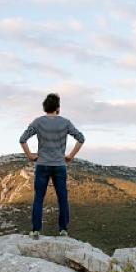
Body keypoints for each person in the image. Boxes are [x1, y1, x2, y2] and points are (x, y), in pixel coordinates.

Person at [19, 93, 84, 238]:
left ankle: (36, 230)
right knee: (62, 198)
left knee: (39, 198)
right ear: (58, 108)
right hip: (59, 165)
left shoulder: (38, 122)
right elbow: (81, 138)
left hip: (42, 164)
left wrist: (30, 156)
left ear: (45, 107)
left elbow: (22, 140)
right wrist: (70, 156)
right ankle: (63, 230)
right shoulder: (65, 122)